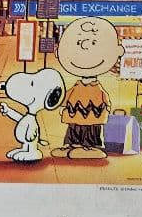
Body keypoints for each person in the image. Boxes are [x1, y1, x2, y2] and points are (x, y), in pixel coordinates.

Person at [53, 16, 124, 159]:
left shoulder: (97, 89)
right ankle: (72, 145)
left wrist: (107, 108)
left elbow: (105, 99)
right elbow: (67, 96)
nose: (85, 46)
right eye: (79, 42)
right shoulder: (77, 86)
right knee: (74, 129)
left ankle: (90, 147)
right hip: (75, 115)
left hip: (92, 115)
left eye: (93, 42)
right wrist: (62, 104)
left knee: (91, 130)